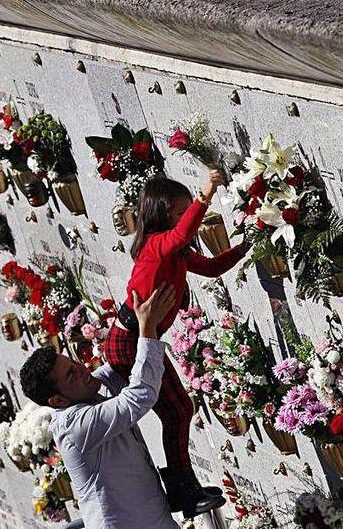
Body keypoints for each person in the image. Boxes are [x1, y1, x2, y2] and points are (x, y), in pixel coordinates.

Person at [103, 170, 249, 516]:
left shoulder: (176, 252)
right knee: (178, 410)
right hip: (128, 339)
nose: (188, 218)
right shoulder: (157, 246)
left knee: (177, 411)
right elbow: (185, 232)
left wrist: (248, 245)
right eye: (182, 211)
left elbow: (213, 268)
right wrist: (208, 192)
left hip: (136, 337)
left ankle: (184, 488)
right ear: (165, 214)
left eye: (188, 210)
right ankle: (182, 490)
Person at [20, 285, 180, 529]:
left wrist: (133, 314)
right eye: (71, 374)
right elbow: (139, 397)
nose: (83, 369)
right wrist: (148, 327)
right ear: (58, 401)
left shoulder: (84, 388)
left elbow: (119, 364)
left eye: (74, 363)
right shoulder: (74, 426)